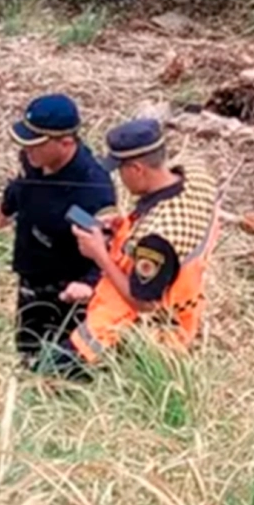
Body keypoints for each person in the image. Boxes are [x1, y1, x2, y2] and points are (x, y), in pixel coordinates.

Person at [48, 118, 220, 379]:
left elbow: (144, 303)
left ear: (137, 169)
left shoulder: (158, 237)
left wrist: (100, 255)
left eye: (121, 170)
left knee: (44, 370)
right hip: (184, 308)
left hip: (148, 334)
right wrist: (122, 228)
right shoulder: (196, 177)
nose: (119, 177)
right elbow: (158, 229)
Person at [0, 94, 117, 365]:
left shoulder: (92, 190)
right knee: (27, 352)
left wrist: (87, 284)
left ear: (66, 142)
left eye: (35, 144)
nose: (27, 151)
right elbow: (22, 184)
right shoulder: (33, 160)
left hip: (68, 293)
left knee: (58, 368)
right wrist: (7, 206)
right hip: (30, 277)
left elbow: (105, 247)